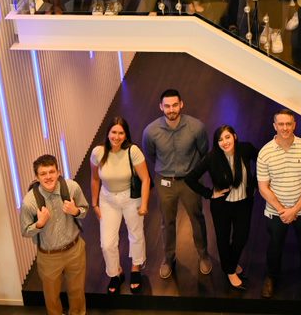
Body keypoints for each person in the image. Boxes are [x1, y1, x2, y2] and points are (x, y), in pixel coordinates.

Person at [143, 89, 213, 279]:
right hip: (164, 182)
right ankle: (168, 258)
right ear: (161, 107)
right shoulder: (151, 131)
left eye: (175, 105)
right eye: (167, 106)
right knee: (167, 222)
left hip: (190, 181)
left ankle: (203, 254)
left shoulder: (196, 127)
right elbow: (150, 155)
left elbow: (203, 151)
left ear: (181, 104)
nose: (171, 109)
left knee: (197, 218)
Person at [257, 108, 301, 298]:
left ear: (294, 125)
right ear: (274, 126)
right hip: (275, 212)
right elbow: (263, 187)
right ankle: (271, 277)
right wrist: (282, 210)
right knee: (274, 246)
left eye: (288, 124)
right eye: (281, 124)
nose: (285, 128)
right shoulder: (265, 153)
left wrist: (294, 210)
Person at [184, 124, 257, 289]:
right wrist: (209, 194)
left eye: (227, 137)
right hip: (221, 206)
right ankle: (230, 270)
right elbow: (190, 178)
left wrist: (256, 184)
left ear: (235, 137)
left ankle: (230, 263)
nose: (224, 142)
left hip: (244, 203)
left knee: (241, 238)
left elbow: (263, 161)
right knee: (223, 240)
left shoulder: (246, 149)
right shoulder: (212, 158)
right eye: (220, 139)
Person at [21, 154, 89, 315]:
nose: (48, 177)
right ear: (36, 177)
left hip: (75, 250)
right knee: (51, 298)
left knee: (77, 292)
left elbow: (84, 209)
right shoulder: (29, 202)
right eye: (43, 173)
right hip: (49, 256)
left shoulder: (72, 187)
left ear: (58, 172)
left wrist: (76, 211)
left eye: (51, 172)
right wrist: (39, 224)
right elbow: (25, 231)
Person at [90, 117, 151, 293]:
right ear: (108, 133)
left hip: (131, 197)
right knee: (107, 243)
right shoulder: (98, 152)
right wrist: (94, 204)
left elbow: (145, 178)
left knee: (135, 234)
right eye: (113, 132)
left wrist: (144, 204)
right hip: (107, 198)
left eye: (121, 133)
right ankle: (115, 273)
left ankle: (136, 268)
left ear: (126, 135)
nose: (116, 136)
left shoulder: (133, 151)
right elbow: (94, 179)